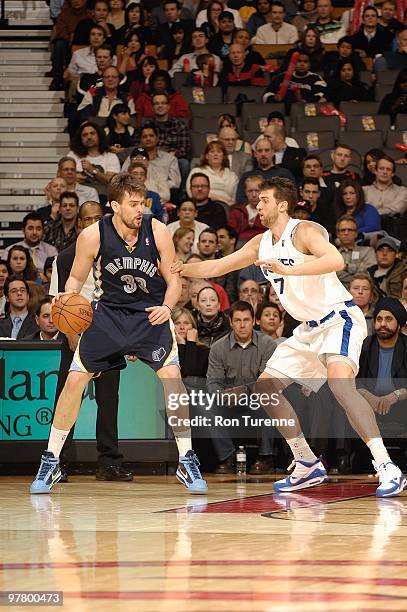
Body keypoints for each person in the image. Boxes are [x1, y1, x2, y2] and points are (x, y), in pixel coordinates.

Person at [171, 176, 407, 497]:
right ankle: (306, 462)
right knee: (266, 389)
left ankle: (386, 466)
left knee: (341, 386)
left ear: (282, 204)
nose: (257, 204)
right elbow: (218, 267)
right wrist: (181, 269)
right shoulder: (260, 243)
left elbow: (335, 260)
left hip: (338, 318)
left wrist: (288, 268)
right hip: (308, 329)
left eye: (264, 200)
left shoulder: (305, 231)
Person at [30, 173, 207, 495]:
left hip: (149, 316)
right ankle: (51, 459)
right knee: (74, 381)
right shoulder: (93, 235)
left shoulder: (157, 231)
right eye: (134, 204)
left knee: (173, 380)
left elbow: (174, 279)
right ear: (114, 205)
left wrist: (168, 307)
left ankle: (186, 458)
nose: (141, 209)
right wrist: (69, 301)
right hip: (107, 316)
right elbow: (74, 281)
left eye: (143, 203)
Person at [49, 200, 133, 482]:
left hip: (109, 336)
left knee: (109, 403)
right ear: (80, 223)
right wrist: (72, 338)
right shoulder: (63, 258)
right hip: (75, 338)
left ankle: (109, 463)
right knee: (67, 400)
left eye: (99, 217)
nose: (94, 222)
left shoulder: (115, 254)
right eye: (88, 219)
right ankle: (58, 462)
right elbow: (58, 304)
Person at [206, 300, 277, 474]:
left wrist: (243, 391)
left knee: (272, 399)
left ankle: (265, 457)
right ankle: (228, 457)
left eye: (246, 320)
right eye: (237, 320)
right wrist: (223, 396)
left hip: (257, 399)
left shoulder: (268, 344)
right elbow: (212, 382)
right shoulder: (218, 348)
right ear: (231, 322)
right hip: (228, 401)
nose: (242, 325)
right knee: (208, 407)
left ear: (254, 321)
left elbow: (267, 381)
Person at [186, 141, 238, 207]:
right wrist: (220, 199)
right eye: (212, 152)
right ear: (207, 156)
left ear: (224, 156)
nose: (215, 154)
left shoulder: (232, 176)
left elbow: (233, 200)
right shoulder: (197, 171)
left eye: (219, 152)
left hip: (226, 208)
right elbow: (191, 193)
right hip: (202, 206)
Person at [4, 213, 58, 277]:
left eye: (38, 229)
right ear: (23, 230)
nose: (34, 232)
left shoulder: (52, 251)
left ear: (43, 231)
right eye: (30, 228)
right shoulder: (10, 250)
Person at [335, 215, 377, 289]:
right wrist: (357, 269)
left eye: (350, 230)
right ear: (338, 234)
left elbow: (368, 274)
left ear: (356, 233)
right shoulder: (333, 255)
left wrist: (346, 268)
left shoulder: (368, 251)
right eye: (343, 230)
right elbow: (332, 276)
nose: (346, 233)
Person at [172, 306, 210, 378]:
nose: (182, 327)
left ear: (193, 327)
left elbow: (189, 374)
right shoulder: (167, 350)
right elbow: (180, 374)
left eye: (186, 323)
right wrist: (181, 345)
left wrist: (191, 344)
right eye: (177, 323)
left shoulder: (204, 350)